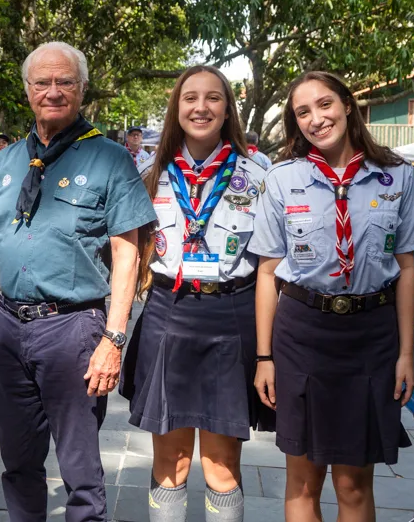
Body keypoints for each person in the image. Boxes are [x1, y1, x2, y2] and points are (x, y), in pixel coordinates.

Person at [0, 41, 157, 522]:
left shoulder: (110, 158)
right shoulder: (5, 162)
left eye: (64, 82)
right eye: (42, 82)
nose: (53, 91)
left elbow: (126, 252)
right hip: (9, 328)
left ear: (82, 89)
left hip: (72, 330)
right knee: (18, 462)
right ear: (27, 90)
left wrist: (114, 338)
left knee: (80, 471)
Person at [249, 71, 414, 521]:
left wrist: (406, 353)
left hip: (371, 337)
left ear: (347, 105)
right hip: (302, 335)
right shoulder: (282, 179)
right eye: (303, 112)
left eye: (324, 104)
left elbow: (406, 270)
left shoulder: (397, 177)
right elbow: (268, 272)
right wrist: (264, 357)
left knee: (352, 484)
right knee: (304, 481)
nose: (316, 118)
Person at [120, 66, 273, 522]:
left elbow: (271, 267)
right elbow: (126, 252)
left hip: (231, 315)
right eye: (190, 98)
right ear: (176, 108)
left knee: (221, 466)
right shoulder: (148, 173)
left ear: (228, 109)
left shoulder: (259, 175)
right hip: (169, 313)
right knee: (171, 463)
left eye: (212, 98)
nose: (201, 107)